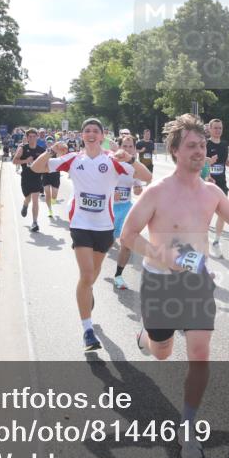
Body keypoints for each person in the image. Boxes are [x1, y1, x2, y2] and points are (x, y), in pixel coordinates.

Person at [120, 113, 229, 458]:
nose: (200, 151)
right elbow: (128, 235)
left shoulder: (212, 192)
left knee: (199, 354)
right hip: (160, 283)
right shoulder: (157, 192)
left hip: (197, 283)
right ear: (176, 151)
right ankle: (147, 338)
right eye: (193, 146)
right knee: (162, 352)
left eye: (203, 146)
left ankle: (188, 426)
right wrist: (166, 258)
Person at [31, 119, 150, 351]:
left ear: (103, 135)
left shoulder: (112, 160)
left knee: (90, 278)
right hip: (81, 224)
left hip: (104, 227)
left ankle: (87, 292)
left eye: (96, 131)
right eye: (87, 131)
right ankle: (87, 330)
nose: (91, 134)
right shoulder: (74, 158)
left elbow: (146, 177)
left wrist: (130, 159)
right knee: (86, 275)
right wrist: (51, 149)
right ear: (82, 135)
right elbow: (36, 167)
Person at [112, 135, 152, 290]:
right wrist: (110, 193)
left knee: (126, 243)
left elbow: (138, 188)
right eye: (125, 146)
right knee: (106, 243)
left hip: (126, 208)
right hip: (107, 209)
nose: (128, 150)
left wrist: (138, 188)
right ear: (119, 147)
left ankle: (118, 276)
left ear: (135, 149)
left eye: (131, 147)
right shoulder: (110, 163)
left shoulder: (136, 166)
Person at [205, 118, 229, 259]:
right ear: (209, 129)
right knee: (206, 215)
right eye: (215, 128)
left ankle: (216, 241)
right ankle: (202, 241)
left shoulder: (224, 144)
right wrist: (208, 163)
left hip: (222, 184)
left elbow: (225, 161)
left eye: (220, 128)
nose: (218, 130)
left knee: (223, 214)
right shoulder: (205, 144)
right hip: (208, 184)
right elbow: (200, 163)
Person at [14, 129, 45, 232]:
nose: (31, 138)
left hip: (36, 178)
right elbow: (14, 161)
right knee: (28, 198)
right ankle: (25, 204)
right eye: (29, 137)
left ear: (37, 137)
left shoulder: (41, 150)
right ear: (27, 138)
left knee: (35, 200)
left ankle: (34, 222)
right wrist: (26, 161)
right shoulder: (22, 148)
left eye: (33, 136)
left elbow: (46, 163)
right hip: (26, 178)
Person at [41, 135, 61, 217]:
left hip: (55, 174)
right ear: (46, 143)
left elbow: (61, 160)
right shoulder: (43, 151)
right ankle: (50, 210)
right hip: (45, 174)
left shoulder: (57, 152)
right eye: (48, 142)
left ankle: (53, 201)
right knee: (47, 193)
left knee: (54, 196)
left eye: (51, 142)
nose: (49, 143)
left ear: (53, 143)